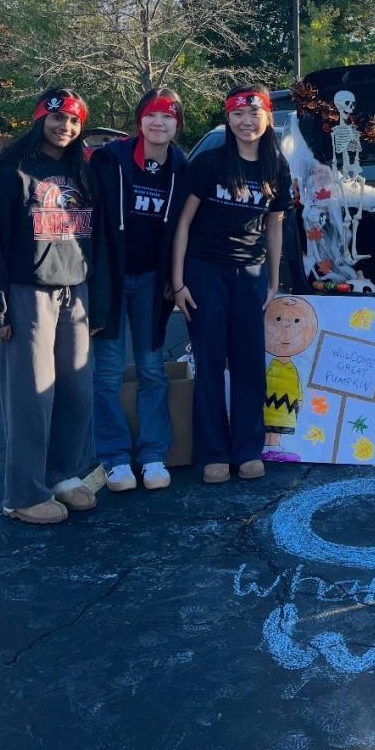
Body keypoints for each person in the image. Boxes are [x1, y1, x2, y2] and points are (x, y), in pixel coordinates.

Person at [0, 89, 109, 523]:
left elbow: (98, 241)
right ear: (41, 118)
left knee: (76, 391)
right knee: (30, 396)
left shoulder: (83, 172)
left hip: (76, 291)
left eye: (75, 121)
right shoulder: (12, 171)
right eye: (58, 118)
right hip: (29, 292)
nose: (66, 127)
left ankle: (63, 476)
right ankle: (23, 493)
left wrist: (98, 305)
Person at [170, 85, 291, 483]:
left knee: (249, 362)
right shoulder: (209, 162)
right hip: (204, 270)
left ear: (267, 118)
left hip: (251, 273)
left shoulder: (276, 166)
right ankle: (212, 453)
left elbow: (275, 226)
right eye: (238, 114)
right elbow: (183, 223)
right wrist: (178, 282)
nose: (246, 122)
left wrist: (273, 280)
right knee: (209, 361)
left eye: (254, 114)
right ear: (228, 118)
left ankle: (247, 449)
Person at [91, 88, 189, 493]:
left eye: (168, 116)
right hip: (110, 280)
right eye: (151, 114)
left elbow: (187, 228)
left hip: (152, 281)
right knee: (107, 372)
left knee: (152, 370)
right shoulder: (109, 160)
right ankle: (114, 459)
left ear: (177, 124)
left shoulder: (182, 168)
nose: (158, 122)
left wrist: (176, 277)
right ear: (139, 121)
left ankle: (153, 455)